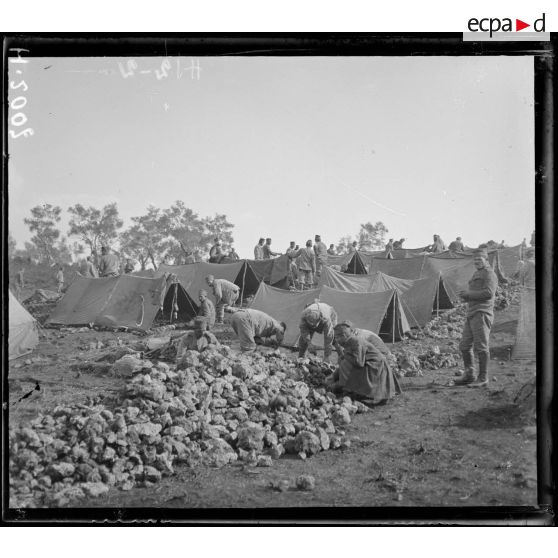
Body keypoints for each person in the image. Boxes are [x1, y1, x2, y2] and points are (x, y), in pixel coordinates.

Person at [326, 322, 401, 403]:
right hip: (371, 365)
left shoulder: (356, 342)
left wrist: (345, 356)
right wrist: (334, 376)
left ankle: (351, 391)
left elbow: (359, 362)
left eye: (337, 338)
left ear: (343, 336)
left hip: (376, 367)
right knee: (343, 362)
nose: (336, 341)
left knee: (345, 363)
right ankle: (350, 390)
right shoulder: (350, 341)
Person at [455, 248, 498, 388]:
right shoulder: (477, 273)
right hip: (472, 312)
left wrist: (469, 294)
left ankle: (483, 377)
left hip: (482, 313)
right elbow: (476, 292)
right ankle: (469, 374)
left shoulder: (489, 274)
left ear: (486, 259)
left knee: (481, 347)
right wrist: (465, 297)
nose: (477, 262)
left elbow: (489, 293)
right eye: (475, 260)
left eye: (479, 259)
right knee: (464, 346)